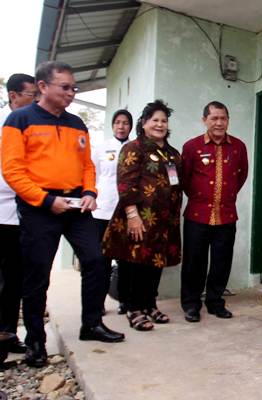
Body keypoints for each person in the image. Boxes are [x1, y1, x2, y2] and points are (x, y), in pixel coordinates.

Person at [1, 61, 125, 368]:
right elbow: (12, 170)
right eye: (65, 87)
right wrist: (45, 200)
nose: (71, 93)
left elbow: (87, 166)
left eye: (74, 88)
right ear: (43, 87)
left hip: (75, 205)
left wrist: (89, 193)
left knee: (95, 260)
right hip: (38, 207)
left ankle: (91, 324)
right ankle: (35, 342)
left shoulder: (77, 124)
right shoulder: (19, 119)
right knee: (37, 274)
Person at [102, 100, 183, 332]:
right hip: (139, 216)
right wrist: (132, 215)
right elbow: (126, 184)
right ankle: (132, 307)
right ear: (144, 123)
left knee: (156, 263)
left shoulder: (171, 153)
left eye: (163, 121)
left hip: (165, 220)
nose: (159, 124)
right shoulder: (133, 148)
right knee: (135, 262)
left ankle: (149, 304)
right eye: (154, 120)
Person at [180, 101, 248, 322]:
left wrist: (224, 198)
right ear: (205, 120)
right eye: (214, 118)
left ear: (228, 120)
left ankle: (215, 302)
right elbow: (185, 179)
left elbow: (241, 176)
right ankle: (191, 304)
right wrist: (202, 199)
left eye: (223, 118)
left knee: (222, 261)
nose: (219, 123)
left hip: (226, 215)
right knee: (194, 263)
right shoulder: (191, 147)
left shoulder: (238, 146)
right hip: (197, 215)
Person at [0, 73, 36, 354]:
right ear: (14, 96)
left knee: (15, 280)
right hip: (3, 216)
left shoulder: (31, 126)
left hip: (23, 216)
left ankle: (9, 334)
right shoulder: (5, 127)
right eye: (31, 96)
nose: (36, 101)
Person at [91, 109, 133, 314]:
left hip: (126, 212)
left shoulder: (135, 148)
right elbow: (94, 175)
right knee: (102, 260)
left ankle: (124, 300)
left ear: (131, 126)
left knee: (125, 259)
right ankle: (98, 303)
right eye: (117, 122)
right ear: (112, 125)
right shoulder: (101, 148)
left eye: (125, 123)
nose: (121, 126)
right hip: (103, 211)